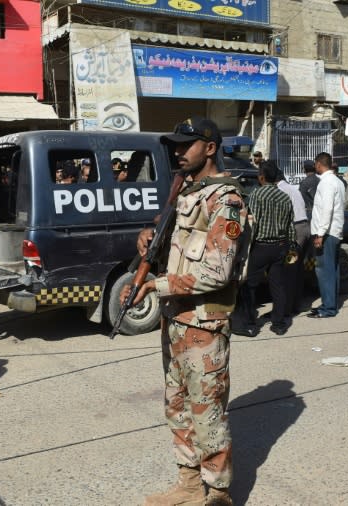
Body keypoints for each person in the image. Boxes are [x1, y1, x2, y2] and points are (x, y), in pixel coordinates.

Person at [122, 117, 246, 506]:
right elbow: (171, 245)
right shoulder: (187, 193)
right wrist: (147, 237)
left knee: (207, 411)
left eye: (187, 144)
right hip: (175, 319)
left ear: (210, 148)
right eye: (175, 144)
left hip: (204, 324)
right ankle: (189, 484)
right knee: (177, 406)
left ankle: (218, 493)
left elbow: (216, 271)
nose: (178, 150)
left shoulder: (226, 200)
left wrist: (154, 286)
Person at [233, 160, 296, 337]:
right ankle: (279, 324)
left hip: (260, 247)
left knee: (249, 286)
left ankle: (250, 324)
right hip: (280, 246)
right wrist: (290, 246)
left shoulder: (257, 195)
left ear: (261, 177)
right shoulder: (285, 197)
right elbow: (290, 225)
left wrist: (244, 247)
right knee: (278, 286)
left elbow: (253, 224)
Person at [308, 152, 345, 318]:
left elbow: (327, 209)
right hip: (333, 230)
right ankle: (329, 303)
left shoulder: (327, 183)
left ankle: (328, 308)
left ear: (318, 164)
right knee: (332, 270)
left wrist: (320, 234)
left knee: (324, 271)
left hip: (327, 232)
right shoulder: (337, 181)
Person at [277, 169, 309, 316]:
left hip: (295, 229)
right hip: (303, 227)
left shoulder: (280, 189)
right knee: (296, 269)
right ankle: (295, 304)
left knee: (289, 269)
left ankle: (288, 309)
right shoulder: (291, 188)